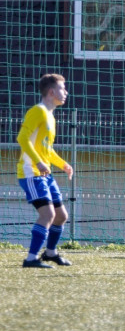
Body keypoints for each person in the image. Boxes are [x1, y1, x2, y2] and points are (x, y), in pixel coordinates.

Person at [17, 73, 75, 268]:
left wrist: (62, 164)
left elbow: (47, 149)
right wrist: (38, 162)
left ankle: (50, 253)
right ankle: (31, 258)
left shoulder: (50, 116)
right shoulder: (38, 111)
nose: (66, 92)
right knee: (48, 215)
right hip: (31, 173)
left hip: (44, 173)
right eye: (62, 88)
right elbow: (22, 139)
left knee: (61, 216)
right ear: (52, 91)